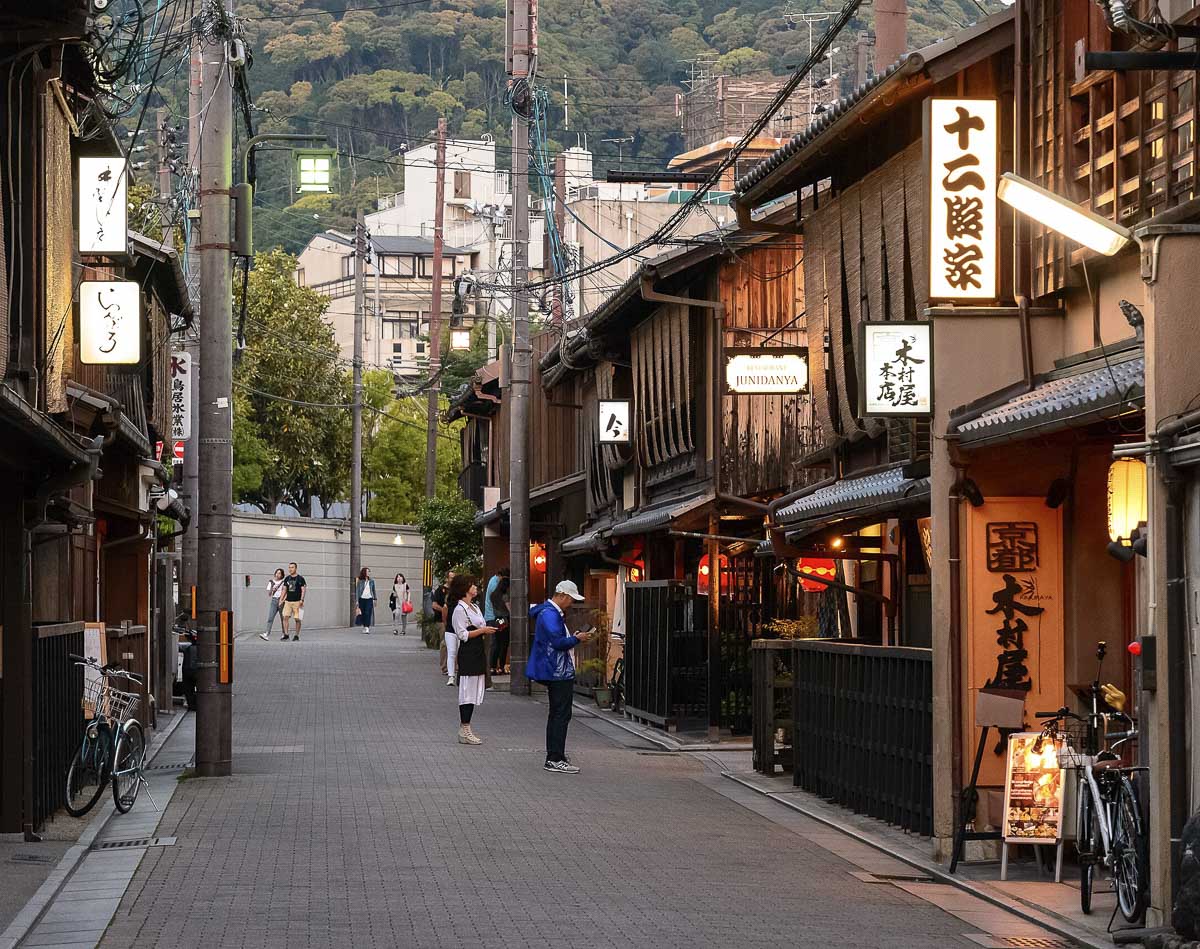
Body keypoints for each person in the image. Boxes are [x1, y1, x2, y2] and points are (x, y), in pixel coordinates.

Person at [527, 580, 593, 774]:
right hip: (557, 670)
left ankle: (556, 756)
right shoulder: (550, 614)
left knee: (558, 714)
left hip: (554, 669)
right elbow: (557, 642)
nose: (571, 603)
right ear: (562, 595)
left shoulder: (548, 612)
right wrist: (576, 638)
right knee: (560, 714)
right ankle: (555, 757)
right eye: (571, 598)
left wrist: (572, 638)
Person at [448, 574, 496, 745]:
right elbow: (462, 634)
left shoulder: (475, 606)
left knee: (475, 689)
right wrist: (482, 631)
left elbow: (481, 625)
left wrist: (486, 629)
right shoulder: (459, 610)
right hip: (468, 651)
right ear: (464, 589)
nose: (475, 588)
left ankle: (467, 727)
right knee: (467, 691)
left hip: (478, 651)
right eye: (472, 585)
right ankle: (464, 728)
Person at [432, 571, 456, 685]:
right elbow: (434, 605)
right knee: (444, 643)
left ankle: (453, 666)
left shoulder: (455, 591)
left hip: (453, 621)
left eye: (454, 578)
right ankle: (444, 667)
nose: (452, 580)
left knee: (454, 644)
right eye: (451, 577)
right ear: (446, 578)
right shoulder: (440, 590)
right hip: (441, 620)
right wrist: (445, 611)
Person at [489, 574, 511, 675]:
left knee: (497, 644)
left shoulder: (493, 595)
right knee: (504, 644)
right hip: (505, 620)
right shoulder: (505, 596)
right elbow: (509, 609)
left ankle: (493, 667)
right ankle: (501, 667)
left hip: (497, 620)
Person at [280, 562, 307, 641]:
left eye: (292, 567)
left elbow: (303, 590)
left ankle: (296, 635)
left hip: (298, 602)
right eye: (289, 567)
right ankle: (286, 634)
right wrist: (281, 600)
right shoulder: (287, 578)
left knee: (297, 619)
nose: (290, 569)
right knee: (285, 617)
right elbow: (284, 590)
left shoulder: (300, 578)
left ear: (296, 568)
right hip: (288, 602)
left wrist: (302, 599)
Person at [259, 568, 287, 641]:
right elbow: (269, 594)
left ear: (282, 575)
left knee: (283, 619)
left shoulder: (284, 582)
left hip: (281, 601)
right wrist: (272, 587)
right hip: (274, 600)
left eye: (279, 573)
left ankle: (284, 634)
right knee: (270, 618)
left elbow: (286, 592)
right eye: (277, 573)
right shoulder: (271, 582)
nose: (278, 574)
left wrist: (283, 600)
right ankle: (266, 634)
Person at [355, 567, 376, 634]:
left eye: (369, 571)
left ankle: (367, 627)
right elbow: (357, 591)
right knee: (363, 613)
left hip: (369, 599)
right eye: (367, 571)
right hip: (362, 599)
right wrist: (357, 600)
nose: (369, 573)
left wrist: (375, 598)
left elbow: (373, 590)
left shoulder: (371, 580)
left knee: (368, 613)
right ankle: (364, 626)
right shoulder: (360, 581)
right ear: (364, 572)